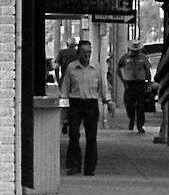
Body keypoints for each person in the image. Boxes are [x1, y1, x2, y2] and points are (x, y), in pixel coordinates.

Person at [60, 40, 115, 176]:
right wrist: (63, 110)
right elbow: (65, 90)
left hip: (91, 103)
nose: (87, 55)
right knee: (73, 134)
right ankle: (75, 165)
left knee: (91, 137)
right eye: (84, 52)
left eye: (89, 52)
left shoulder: (96, 68)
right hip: (75, 103)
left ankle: (90, 167)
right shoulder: (71, 68)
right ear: (78, 53)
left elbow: (103, 87)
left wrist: (108, 101)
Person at [117, 41, 152, 133]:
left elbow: (147, 70)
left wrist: (148, 83)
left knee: (141, 106)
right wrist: (123, 80)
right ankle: (131, 119)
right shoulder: (125, 58)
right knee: (129, 104)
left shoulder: (143, 58)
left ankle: (140, 125)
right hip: (129, 84)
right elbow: (118, 68)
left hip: (140, 83)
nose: (135, 53)